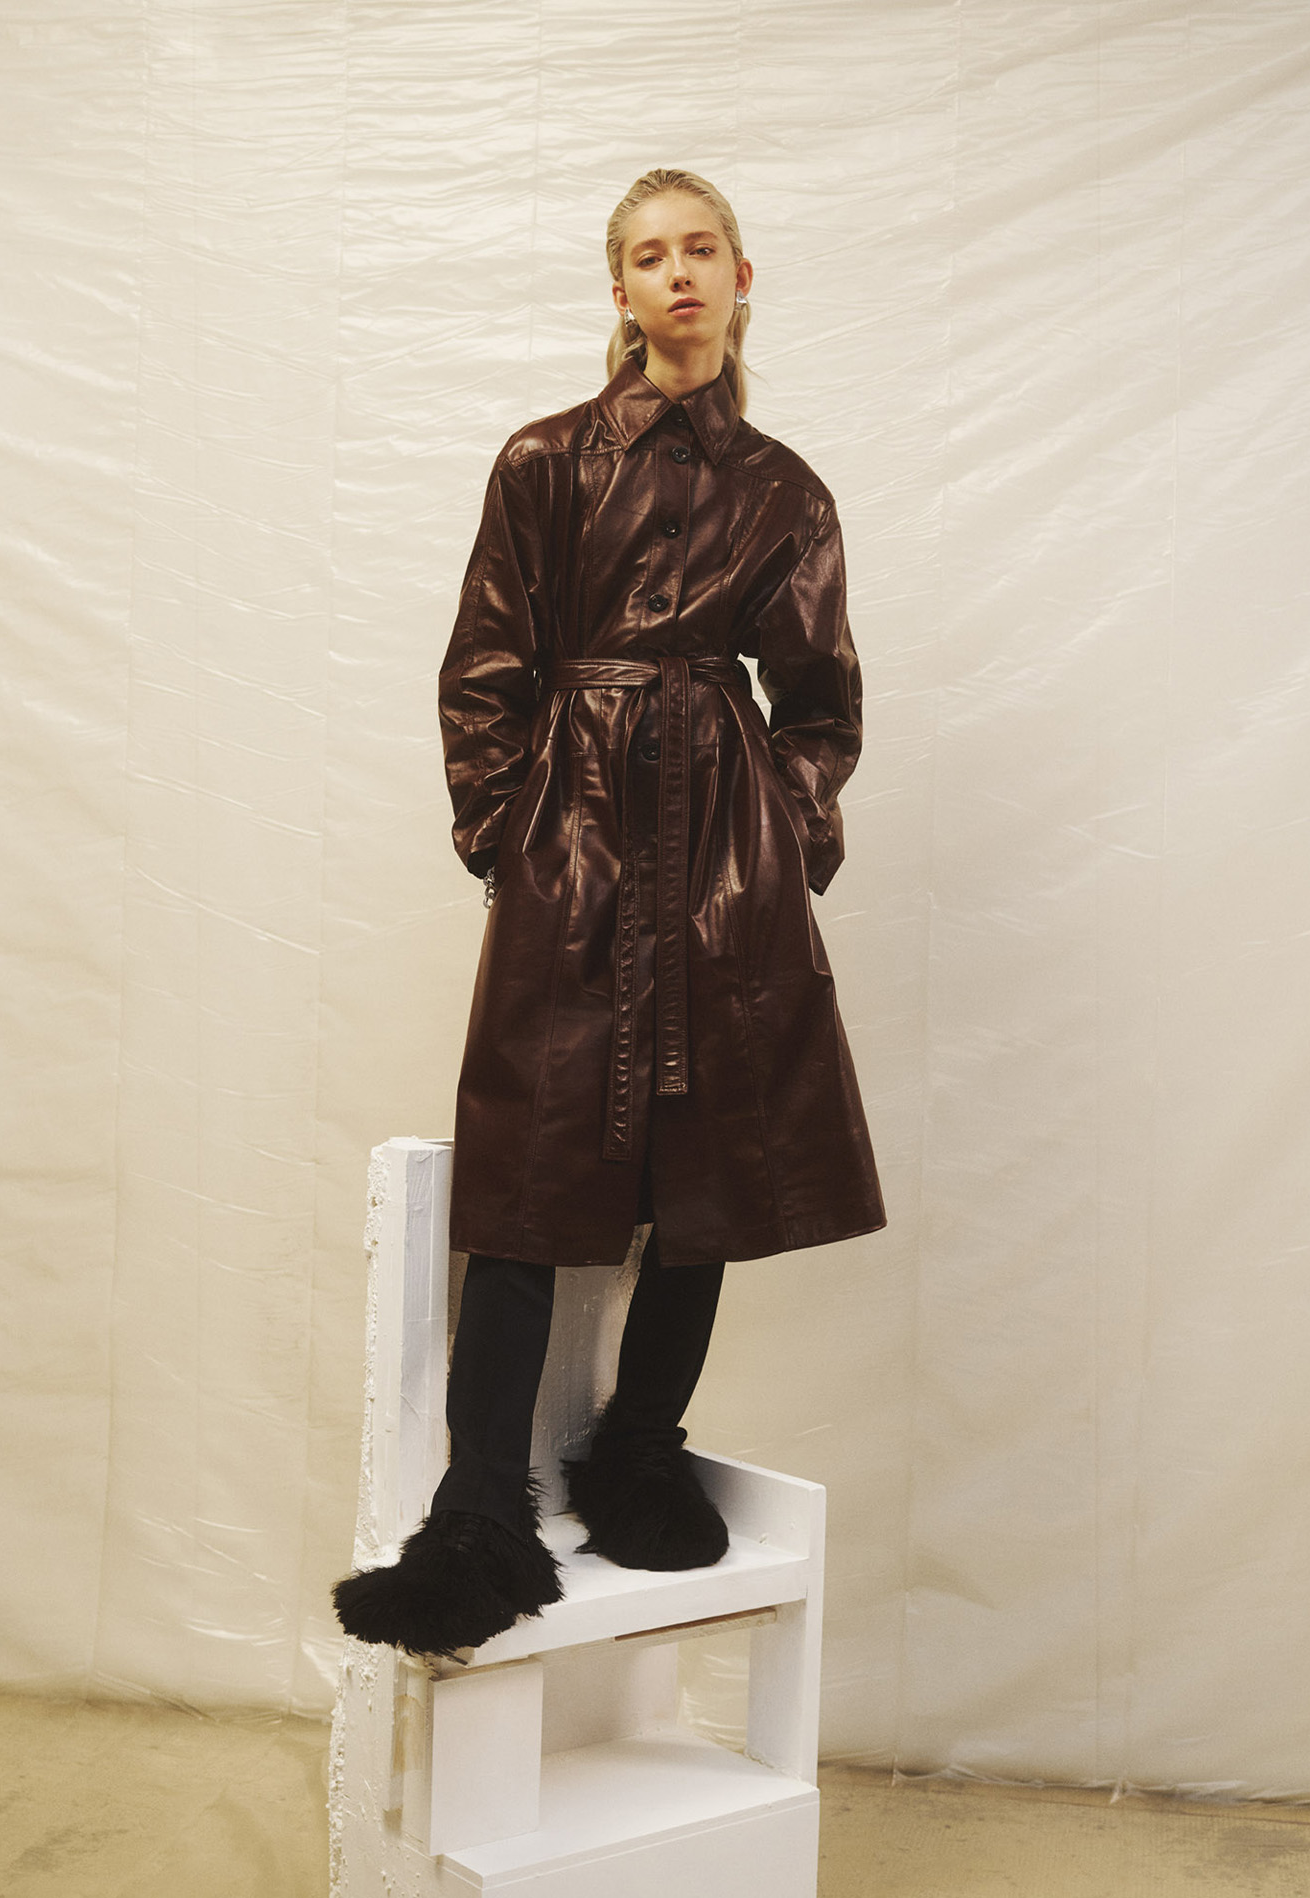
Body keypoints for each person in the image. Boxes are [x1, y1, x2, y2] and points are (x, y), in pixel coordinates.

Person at [334, 168, 884, 1657]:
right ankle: (479, 1509)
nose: (678, 273)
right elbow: (483, 666)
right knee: (531, 1161)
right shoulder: (544, 462)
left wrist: (782, 840)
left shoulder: (786, 493)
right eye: (651, 255)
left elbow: (820, 703)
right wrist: (510, 836)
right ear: (621, 289)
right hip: (570, 844)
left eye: (702, 249)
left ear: (742, 276)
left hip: (723, 860)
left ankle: (640, 1448)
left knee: (705, 1169)